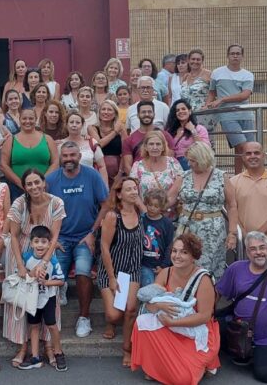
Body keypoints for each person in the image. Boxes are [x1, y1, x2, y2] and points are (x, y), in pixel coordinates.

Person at [130, 233, 221, 384]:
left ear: (193, 256)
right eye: (174, 251)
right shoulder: (165, 273)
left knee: (183, 379)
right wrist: (158, 306)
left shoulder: (203, 279)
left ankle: (200, 365)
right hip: (169, 326)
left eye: (184, 252)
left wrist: (172, 323)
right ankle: (156, 368)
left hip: (193, 330)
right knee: (142, 322)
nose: (177, 256)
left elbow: (204, 316)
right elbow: (149, 303)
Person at [216, 231, 267, 382]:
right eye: (253, 249)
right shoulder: (235, 269)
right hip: (238, 329)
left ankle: (258, 354)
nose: (258, 252)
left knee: (266, 375)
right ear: (247, 252)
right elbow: (218, 293)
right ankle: (240, 350)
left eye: (262, 247)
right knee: (211, 327)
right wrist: (205, 315)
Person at [45, 142, 109, 338]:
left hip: (84, 236)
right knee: (55, 275)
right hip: (61, 237)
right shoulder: (51, 179)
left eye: (72, 155)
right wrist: (52, 238)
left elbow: (106, 204)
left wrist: (92, 232)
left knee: (83, 271)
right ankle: (61, 289)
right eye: (65, 156)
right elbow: (42, 208)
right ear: (60, 158)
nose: (69, 159)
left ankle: (84, 317)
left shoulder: (92, 175)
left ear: (79, 157)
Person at [4, 170, 66, 367]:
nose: (34, 187)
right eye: (29, 184)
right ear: (24, 187)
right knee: (21, 300)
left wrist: (44, 263)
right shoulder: (19, 204)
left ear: (44, 182)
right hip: (21, 252)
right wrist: (21, 266)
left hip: (46, 251)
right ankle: (23, 347)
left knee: (47, 299)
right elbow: (13, 236)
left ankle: (48, 346)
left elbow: (54, 237)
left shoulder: (56, 203)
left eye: (37, 182)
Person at [173, 141, 240, 279]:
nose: (189, 164)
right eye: (189, 160)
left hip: (213, 232)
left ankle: (209, 291)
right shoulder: (183, 176)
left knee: (211, 269)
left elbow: (232, 205)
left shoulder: (221, 177)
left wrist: (232, 233)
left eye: (193, 161)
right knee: (185, 263)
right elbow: (168, 199)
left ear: (203, 159)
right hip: (187, 228)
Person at [98, 177, 145, 367]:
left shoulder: (141, 213)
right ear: (119, 194)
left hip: (132, 269)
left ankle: (127, 349)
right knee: (114, 315)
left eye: (135, 188)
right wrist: (111, 277)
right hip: (112, 269)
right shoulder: (113, 216)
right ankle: (110, 322)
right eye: (129, 189)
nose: (133, 192)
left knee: (131, 310)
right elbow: (104, 246)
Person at [19, 225, 68, 372]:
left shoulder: (52, 260)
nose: (40, 245)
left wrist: (46, 282)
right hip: (32, 298)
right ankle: (35, 357)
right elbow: (21, 274)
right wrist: (31, 274)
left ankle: (58, 352)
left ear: (49, 244)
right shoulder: (26, 257)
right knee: (34, 326)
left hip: (48, 298)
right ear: (31, 243)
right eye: (36, 241)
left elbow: (61, 281)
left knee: (52, 325)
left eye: (44, 242)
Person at [230, 142, 267, 261]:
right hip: (244, 245)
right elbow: (232, 211)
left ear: (264, 155)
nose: (252, 156)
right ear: (243, 157)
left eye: (256, 153)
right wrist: (247, 237)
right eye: (248, 153)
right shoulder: (233, 182)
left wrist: (255, 237)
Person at [206, 44, 254, 174]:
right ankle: (253, 174)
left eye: (238, 53)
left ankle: (239, 176)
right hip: (227, 116)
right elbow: (212, 92)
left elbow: (245, 95)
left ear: (242, 56)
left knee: (244, 148)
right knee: (243, 146)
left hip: (246, 115)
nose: (235, 56)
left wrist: (222, 99)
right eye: (232, 53)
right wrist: (207, 106)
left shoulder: (248, 75)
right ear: (227, 56)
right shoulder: (217, 73)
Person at [0, 107, 59, 199]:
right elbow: (4, 166)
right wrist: (21, 184)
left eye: (31, 118)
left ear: (36, 119)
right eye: (24, 118)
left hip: (45, 188)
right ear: (19, 119)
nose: (27, 121)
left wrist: (42, 182)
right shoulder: (10, 141)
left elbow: (55, 162)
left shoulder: (47, 139)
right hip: (18, 190)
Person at [129, 130, 183, 202]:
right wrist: (143, 208)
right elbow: (133, 192)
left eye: (158, 144)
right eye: (151, 144)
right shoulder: (137, 166)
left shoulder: (173, 163)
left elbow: (179, 186)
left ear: (163, 147)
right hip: (145, 208)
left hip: (169, 207)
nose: (155, 147)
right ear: (146, 147)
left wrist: (163, 205)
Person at [140, 188, 175, 287]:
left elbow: (169, 246)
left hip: (160, 264)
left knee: (159, 289)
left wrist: (164, 265)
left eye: (156, 206)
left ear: (162, 207)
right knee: (148, 287)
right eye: (150, 204)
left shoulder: (167, 223)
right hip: (144, 264)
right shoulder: (141, 220)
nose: (152, 208)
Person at [62, 112, 109, 184]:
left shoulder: (92, 142)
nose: (74, 125)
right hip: (67, 184)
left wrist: (105, 187)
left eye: (77, 122)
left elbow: (102, 166)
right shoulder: (60, 145)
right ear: (66, 125)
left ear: (82, 125)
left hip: (90, 183)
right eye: (71, 122)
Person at [164, 99, 210, 170]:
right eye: (177, 110)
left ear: (190, 111)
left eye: (183, 109)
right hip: (173, 164)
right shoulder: (170, 130)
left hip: (191, 163)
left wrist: (193, 130)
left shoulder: (199, 128)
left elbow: (204, 148)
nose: (180, 111)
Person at [91, 99, 126, 185]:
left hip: (116, 169)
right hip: (98, 168)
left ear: (115, 114)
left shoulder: (121, 129)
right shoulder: (92, 128)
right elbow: (99, 144)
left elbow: (125, 152)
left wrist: (120, 173)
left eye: (109, 109)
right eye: (103, 109)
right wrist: (115, 132)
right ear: (99, 112)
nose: (106, 112)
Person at [122, 100, 157, 174]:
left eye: (149, 112)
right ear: (138, 115)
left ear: (154, 114)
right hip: (138, 177)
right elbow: (127, 167)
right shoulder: (129, 140)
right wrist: (139, 179)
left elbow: (169, 162)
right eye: (143, 112)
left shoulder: (165, 136)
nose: (146, 114)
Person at [181, 48, 212, 113]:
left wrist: (207, 106)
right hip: (187, 114)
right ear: (188, 60)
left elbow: (214, 93)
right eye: (193, 59)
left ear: (202, 61)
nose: (195, 61)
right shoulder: (186, 76)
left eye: (198, 59)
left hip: (203, 113)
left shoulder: (208, 74)